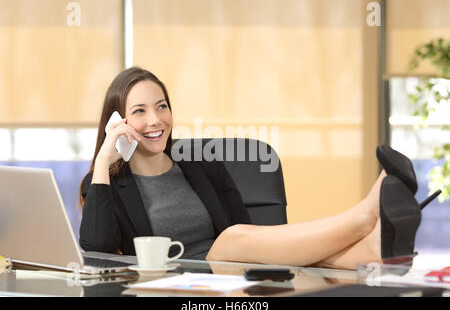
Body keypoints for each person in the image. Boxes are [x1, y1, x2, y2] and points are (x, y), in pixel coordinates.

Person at [78, 67, 393, 270]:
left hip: (228, 283)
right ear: (118, 122)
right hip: (172, 287)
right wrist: (105, 160)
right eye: (139, 111)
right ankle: (362, 222)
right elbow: (96, 253)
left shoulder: (203, 164)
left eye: (162, 106)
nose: (155, 120)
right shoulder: (104, 184)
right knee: (230, 240)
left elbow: (252, 237)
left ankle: (368, 246)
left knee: (237, 239)